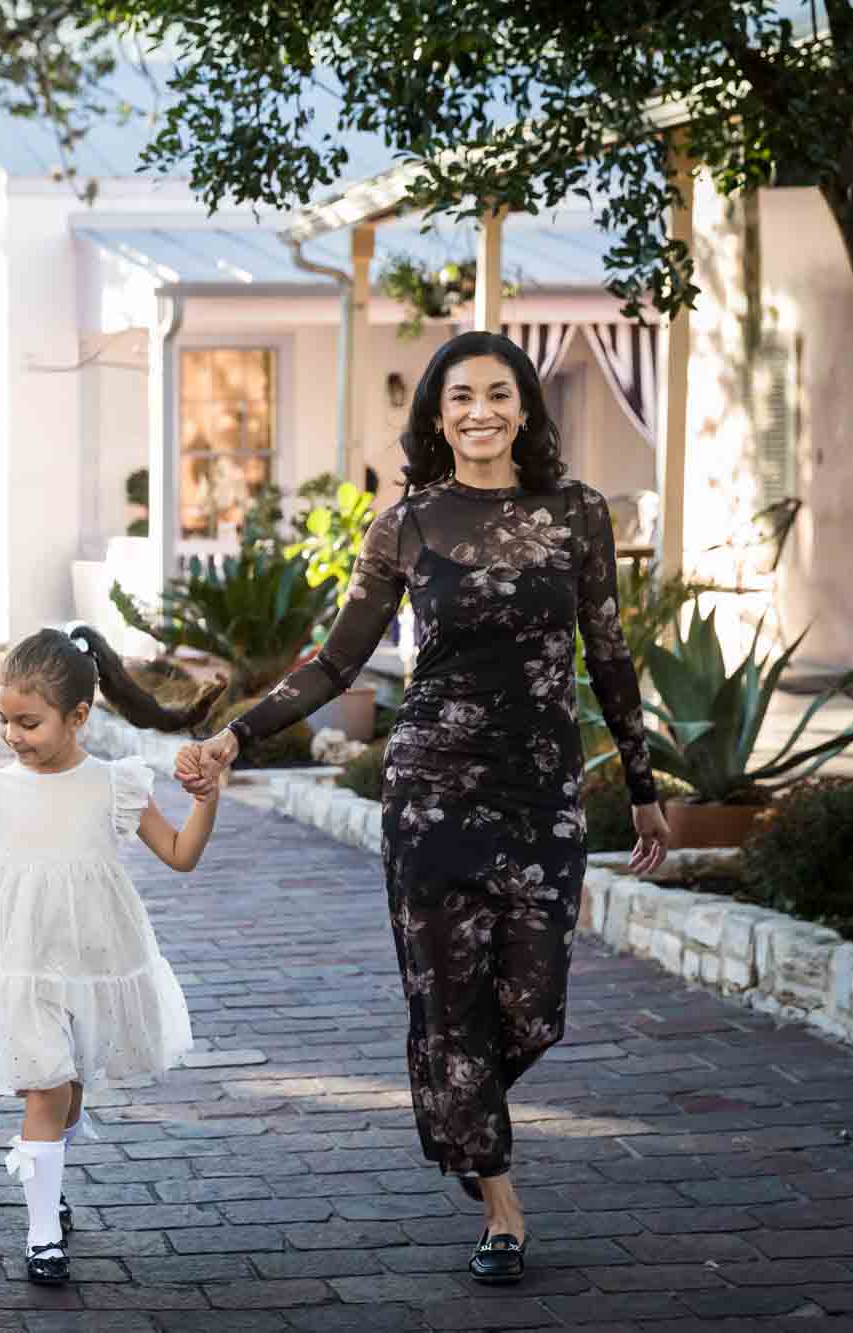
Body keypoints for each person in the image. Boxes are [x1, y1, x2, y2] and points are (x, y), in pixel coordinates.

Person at [175, 331, 669, 1287]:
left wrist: (643, 787)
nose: (479, 411)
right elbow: (336, 660)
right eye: (459, 399)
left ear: (525, 405)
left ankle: (456, 1100)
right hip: (432, 788)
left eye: (497, 393)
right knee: (450, 1005)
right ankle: (500, 1205)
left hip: (541, 791)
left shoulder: (576, 515)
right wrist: (238, 731)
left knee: (534, 1006)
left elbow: (608, 655)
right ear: (437, 418)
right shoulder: (409, 523)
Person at [0, 626, 216, 1286]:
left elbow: (180, 854)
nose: (13, 735)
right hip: (22, 961)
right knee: (44, 1083)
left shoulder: (114, 784)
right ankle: (42, 1234)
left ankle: (50, 1176)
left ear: (79, 715)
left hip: (94, 959)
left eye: (29, 722)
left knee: (66, 1090)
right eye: (5, 720)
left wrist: (206, 802)